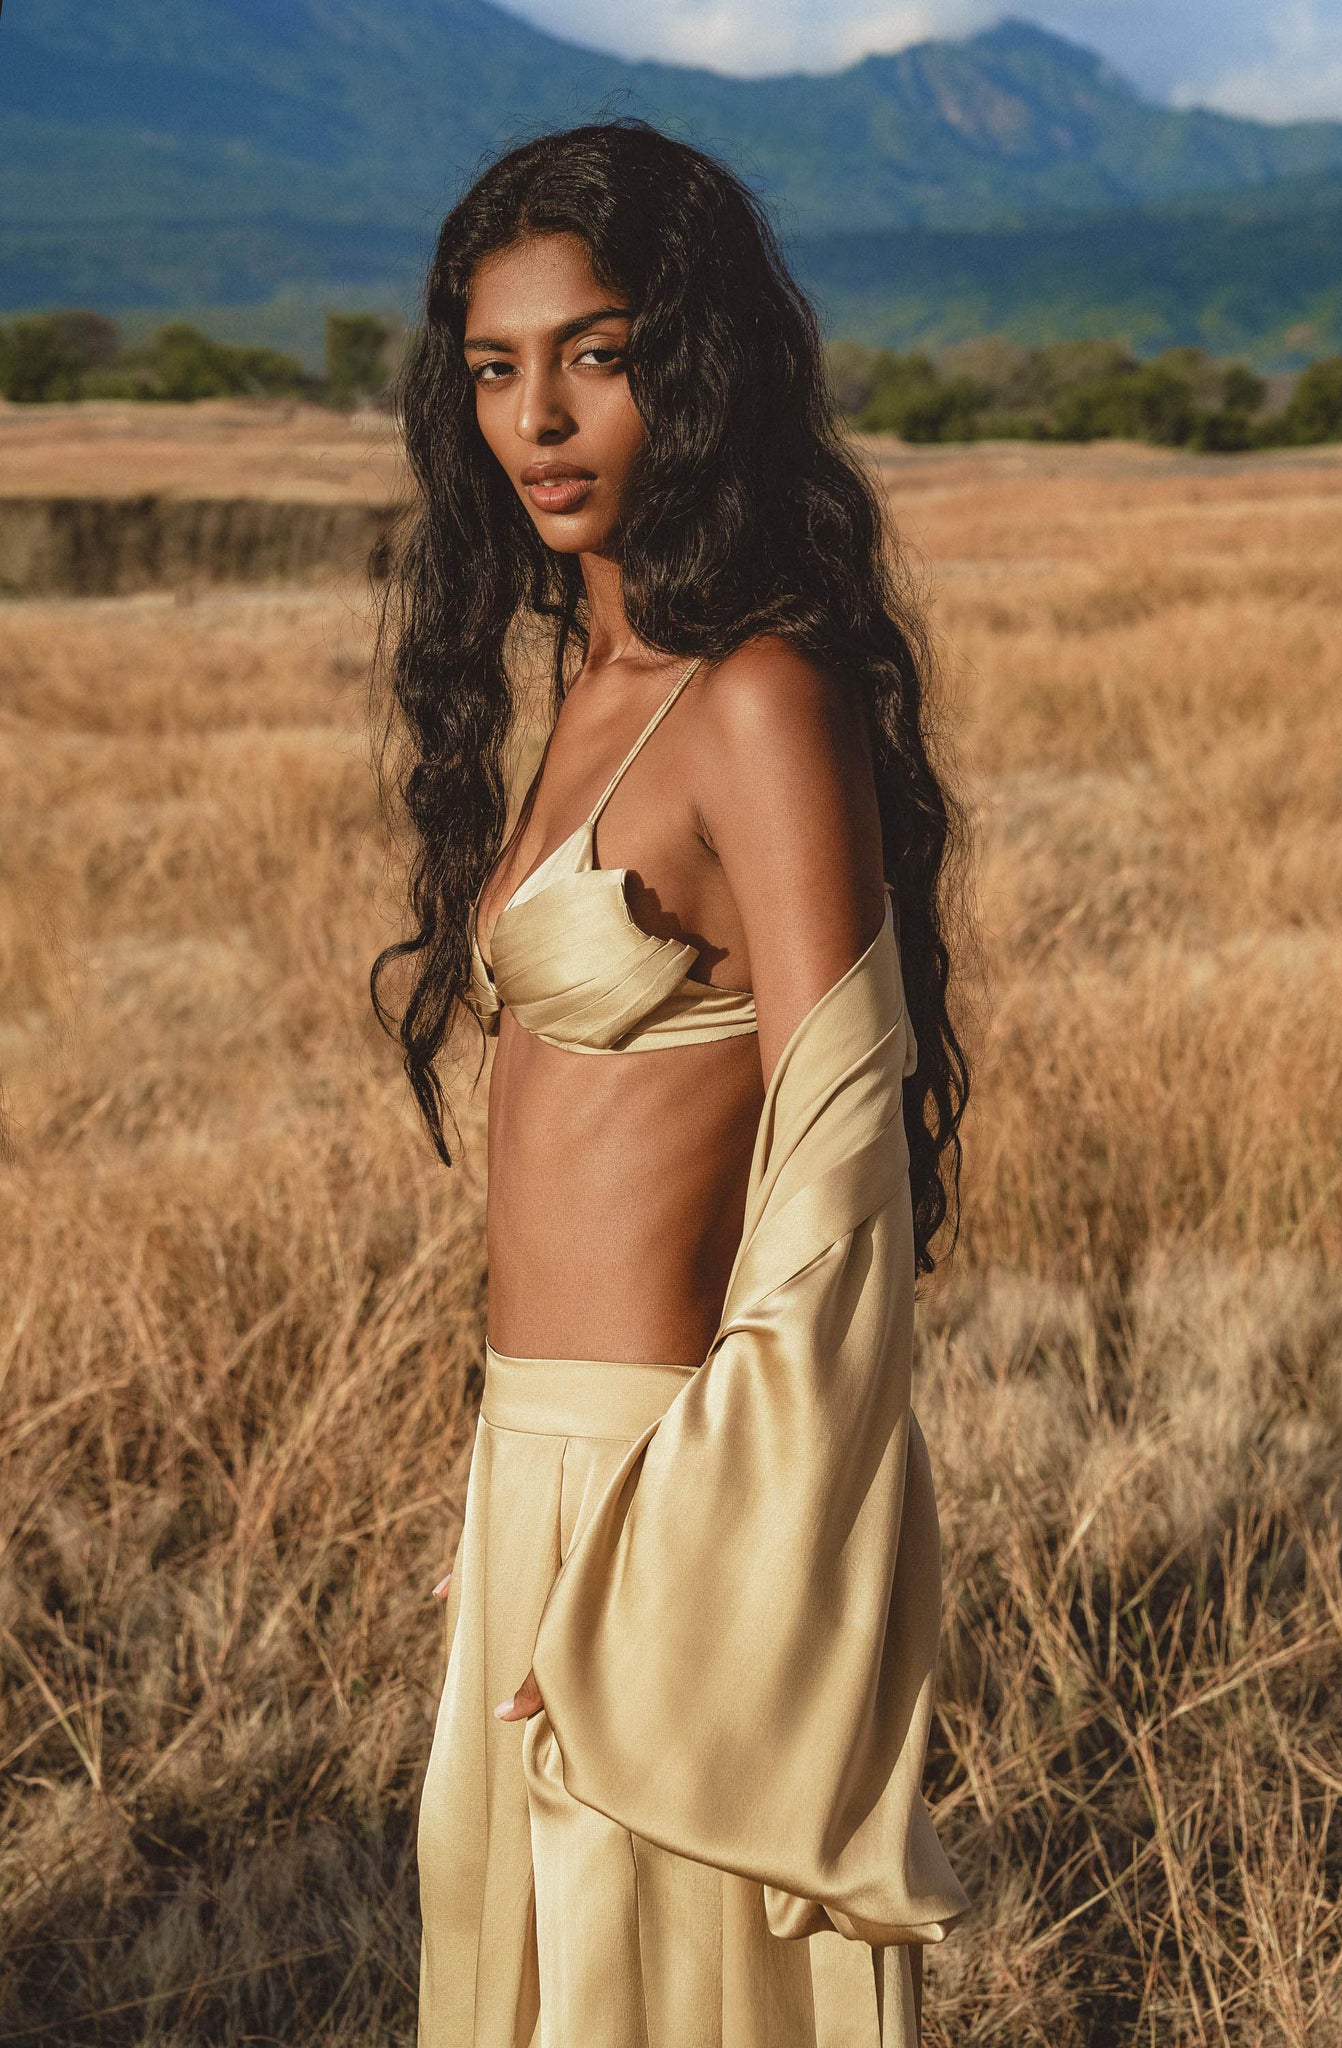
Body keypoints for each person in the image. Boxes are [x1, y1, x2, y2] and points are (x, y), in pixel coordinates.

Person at [371, 120, 972, 2048]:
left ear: (690, 369)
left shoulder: (758, 699)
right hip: (521, 1465)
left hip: (672, 1488)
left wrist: (687, 1556)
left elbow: (839, 1162)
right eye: (494, 365)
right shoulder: (584, 690)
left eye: (595, 352)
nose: (537, 416)